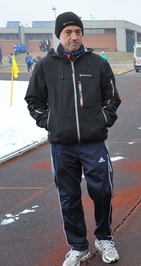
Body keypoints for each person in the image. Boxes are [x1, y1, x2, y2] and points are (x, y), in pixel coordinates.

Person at [25, 11, 121, 265]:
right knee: (68, 196)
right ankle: (78, 246)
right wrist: (50, 123)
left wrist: (101, 121)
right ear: (59, 35)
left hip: (93, 142)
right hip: (62, 145)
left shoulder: (97, 64)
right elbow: (34, 100)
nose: (74, 36)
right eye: (68, 32)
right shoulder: (46, 66)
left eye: (78, 31)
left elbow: (112, 97)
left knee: (102, 191)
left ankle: (104, 238)